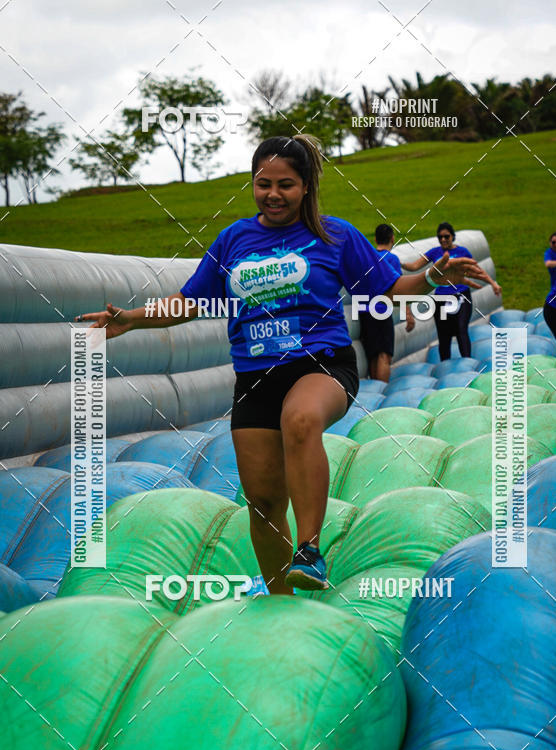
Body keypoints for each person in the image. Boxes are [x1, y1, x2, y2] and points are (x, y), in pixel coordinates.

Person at [79, 136, 486, 594]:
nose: (273, 194)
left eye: (286, 185)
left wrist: (434, 277)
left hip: (322, 365)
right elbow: (189, 303)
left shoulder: (336, 236)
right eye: (263, 183)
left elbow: (390, 289)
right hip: (254, 379)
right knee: (263, 501)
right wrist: (131, 319)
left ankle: (310, 552)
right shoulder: (233, 239)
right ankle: (281, 598)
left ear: (307, 187)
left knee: (300, 419)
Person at [402, 221, 501, 361]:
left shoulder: (462, 252)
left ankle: (468, 362)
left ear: (452, 237)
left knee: (461, 330)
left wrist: (492, 284)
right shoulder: (435, 252)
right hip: (441, 299)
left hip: (460, 296)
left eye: (446, 236)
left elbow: (477, 271)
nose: (443, 240)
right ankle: (445, 366)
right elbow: (414, 266)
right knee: (444, 336)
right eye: (440, 237)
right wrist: (398, 262)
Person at [359, 224, 414, 382]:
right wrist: (408, 314)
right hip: (381, 310)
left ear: (375, 239)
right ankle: (382, 390)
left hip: (363, 310)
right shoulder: (391, 259)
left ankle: (375, 389)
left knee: (372, 355)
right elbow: (399, 288)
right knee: (384, 354)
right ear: (392, 239)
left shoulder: (366, 260)